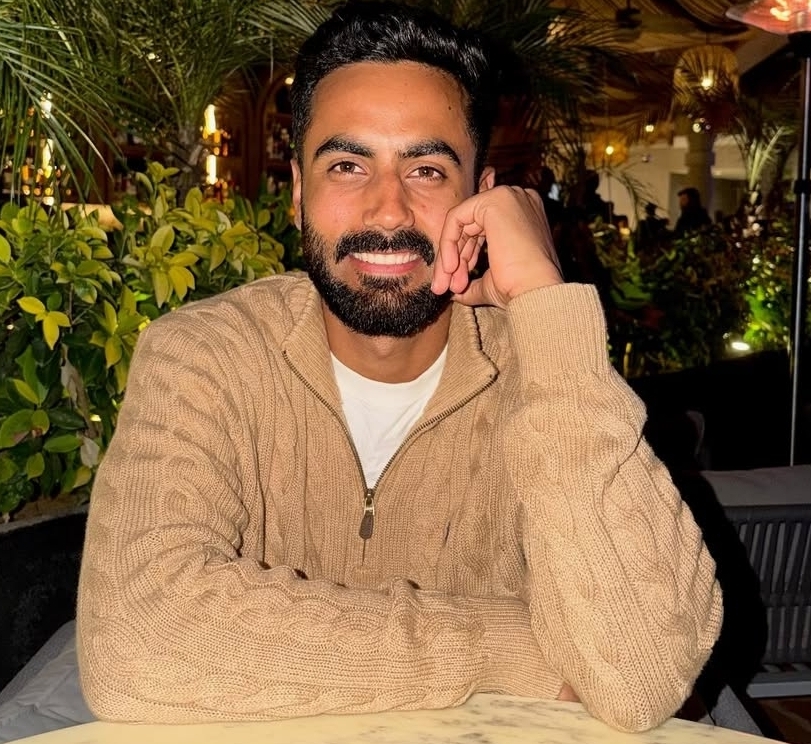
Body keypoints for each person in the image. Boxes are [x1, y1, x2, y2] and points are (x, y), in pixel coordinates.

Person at [76, 1, 722, 734]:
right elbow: (137, 641)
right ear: (298, 193)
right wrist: (518, 648)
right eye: (347, 166)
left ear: (482, 197)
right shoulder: (204, 356)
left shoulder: (543, 369)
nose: (388, 210)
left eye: (426, 169)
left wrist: (545, 301)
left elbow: (643, 675)